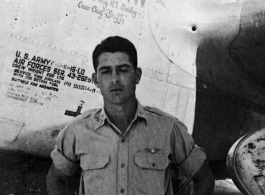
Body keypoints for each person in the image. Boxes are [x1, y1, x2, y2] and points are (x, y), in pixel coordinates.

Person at [46, 36, 214, 195]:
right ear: (96, 80)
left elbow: (204, 179)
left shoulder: (167, 128)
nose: (115, 79)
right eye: (105, 71)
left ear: (137, 75)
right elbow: (55, 179)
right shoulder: (78, 131)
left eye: (123, 70)